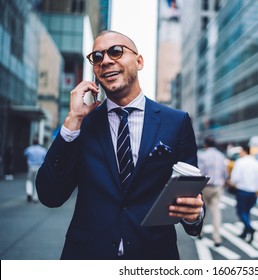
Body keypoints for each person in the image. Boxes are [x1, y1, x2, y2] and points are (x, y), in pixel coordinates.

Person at [36, 30, 204, 260]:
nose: (105, 61)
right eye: (97, 57)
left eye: (116, 51)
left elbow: (189, 197)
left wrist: (193, 215)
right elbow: (49, 195)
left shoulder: (176, 122)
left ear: (139, 61)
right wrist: (72, 120)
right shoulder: (82, 123)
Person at [230, 144, 258, 243]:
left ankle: (250, 228)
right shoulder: (256, 162)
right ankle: (245, 233)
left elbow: (235, 178)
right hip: (253, 192)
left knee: (241, 212)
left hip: (242, 191)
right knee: (247, 212)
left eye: (240, 151)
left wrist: (231, 183)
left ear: (244, 151)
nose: (239, 153)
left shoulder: (240, 162)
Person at [197, 136, 227, 247]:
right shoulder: (221, 156)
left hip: (206, 186)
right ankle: (217, 238)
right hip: (218, 187)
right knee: (216, 212)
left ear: (206, 144)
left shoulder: (202, 156)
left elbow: (200, 172)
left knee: (203, 210)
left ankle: (200, 232)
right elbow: (225, 173)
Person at [24, 138, 47, 202]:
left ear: (33, 142)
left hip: (31, 167)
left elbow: (25, 155)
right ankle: (35, 197)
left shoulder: (29, 149)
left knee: (29, 181)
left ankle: (29, 193)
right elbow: (45, 158)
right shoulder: (43, 150)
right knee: (37, 182)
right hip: (39, 167)